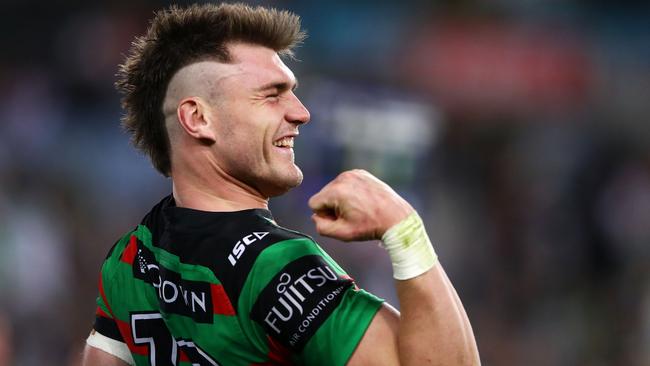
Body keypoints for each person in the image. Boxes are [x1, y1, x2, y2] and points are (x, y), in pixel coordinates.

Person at [82, 3, 480, 365]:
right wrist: (404, 229)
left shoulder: (130, 258)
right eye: (271, 96)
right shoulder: (274, 266)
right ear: (198, 119)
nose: (301, 113)